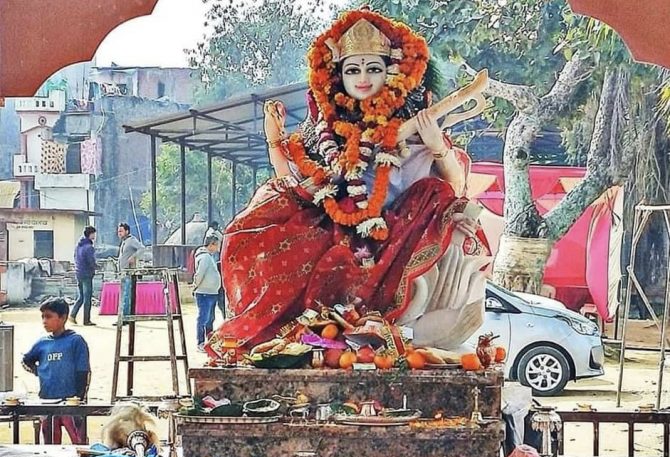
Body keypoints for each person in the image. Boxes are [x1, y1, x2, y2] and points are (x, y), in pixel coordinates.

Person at [208, 10, 490, 355]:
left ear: (391, 72)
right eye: (353, 69)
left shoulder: (414, 122)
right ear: (338, 75)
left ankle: (394, 331)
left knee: (438, 193)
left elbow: (456, 185)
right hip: (335, 220)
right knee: (253, 230)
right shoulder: (326, 126)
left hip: (402, 227)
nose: (362, 78)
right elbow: (294, 180)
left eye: (373, 69)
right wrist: (274, 140)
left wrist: (437, 147)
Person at [22, 298, 91, 444]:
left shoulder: (76, 341)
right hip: (47, 401)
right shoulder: (42, 343)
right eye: (42, 317)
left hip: (71, 403)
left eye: (48, 316)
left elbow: (83, 371)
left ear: (63, 317)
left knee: (79, 442)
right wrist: (39, 371)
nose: (44, 321)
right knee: (49, 445)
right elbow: (26, 360)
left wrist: (79, 399)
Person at [193, 235, 221, 351]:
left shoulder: (210, 257)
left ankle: (209, 342)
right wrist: (195, 286)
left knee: (210, 318)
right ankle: (200, 342)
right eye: (216, 245)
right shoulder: (204, 257)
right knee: (203, 318)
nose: (218, 248)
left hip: (211, 292)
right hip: (204, 293)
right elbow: (200, 274)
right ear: (211, 245)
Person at [117, 222, 144, 321]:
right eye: (118, 231)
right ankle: (125, 317)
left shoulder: (132, 240)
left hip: (129, 272)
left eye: (121, 231)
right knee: (124, 295)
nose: (119, 233)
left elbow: (142, 248)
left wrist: (134, 257)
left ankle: (125, 317)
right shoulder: (124, 242)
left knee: (127, 295)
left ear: (127, 231)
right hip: (123, 272)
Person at [70, 226, 97, 326]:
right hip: (86, 274)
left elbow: (75, 258)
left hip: (78, 272)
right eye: (94, 234)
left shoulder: (78, 246)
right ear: (90, 234)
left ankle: (72, 315)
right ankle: (86, 320)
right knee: (87, 298)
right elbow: (91, 261)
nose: (95, 236)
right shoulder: (89, 247)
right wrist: (96, 267)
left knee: (81, 296)